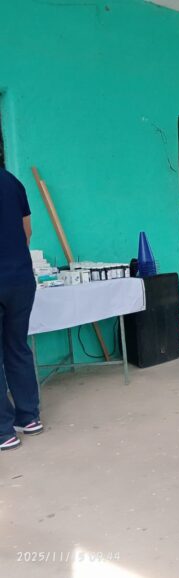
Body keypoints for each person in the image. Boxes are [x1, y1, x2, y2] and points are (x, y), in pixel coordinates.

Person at [0, 168, 43, 451]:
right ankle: (29, 417)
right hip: (20, 279)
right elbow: (27, 231)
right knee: (17, 346)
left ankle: (3, 432)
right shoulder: (11, 182)